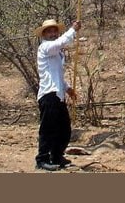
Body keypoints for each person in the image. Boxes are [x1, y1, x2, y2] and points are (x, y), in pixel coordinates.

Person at [34, 18, 81, 171]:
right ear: (44, 34)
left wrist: (68, 89)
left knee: (64, 128)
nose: (53, 33)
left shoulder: (57, 54)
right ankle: (42, 159)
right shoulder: (45, 48)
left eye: (55, 30)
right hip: (48, 94)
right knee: (48, 128)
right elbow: (59, 43)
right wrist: (73, 30)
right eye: (50, 31)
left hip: (58, 95)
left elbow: (57, 75)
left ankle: (56, 155)